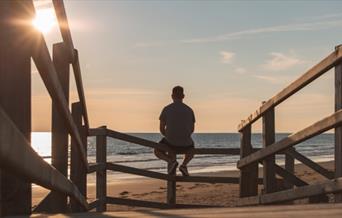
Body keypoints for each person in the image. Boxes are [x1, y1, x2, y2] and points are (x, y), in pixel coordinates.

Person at [154, 86, 195, 176]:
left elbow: (161, 128)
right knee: (192, 149)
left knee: (157, 150)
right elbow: (192, 129)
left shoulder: (167, 109)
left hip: (171, 143)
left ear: (172, 96)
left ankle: (171, 161)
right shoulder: (189, 110)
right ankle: (184, 165)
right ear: (183, 96)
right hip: (186, 143)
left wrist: (169, 136)